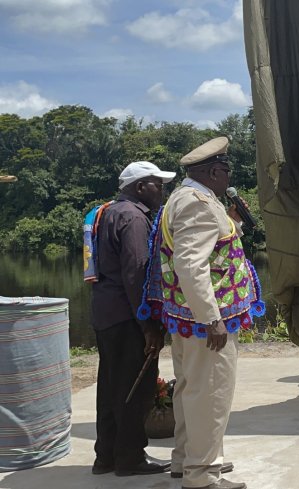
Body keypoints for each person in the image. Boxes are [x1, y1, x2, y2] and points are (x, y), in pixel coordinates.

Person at [138, 137, 264, 489]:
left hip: (187, 317)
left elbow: (210, 248)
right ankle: (203, 475)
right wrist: (213, 318)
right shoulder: (199, 204)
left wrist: (234, 223)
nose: (228, 178)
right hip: (204, 321)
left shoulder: (185, 197)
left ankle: (186, 460)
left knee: (190, 390)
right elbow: (191, 264)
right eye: (226, 171)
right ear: (213, 172)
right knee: (211, 394)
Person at [90, 161, 175, 477]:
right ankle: (130, 458)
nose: (162, 189)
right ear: (141, 187)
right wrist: (149, 325)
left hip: (106, 313)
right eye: (158, 183)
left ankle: (106, 457)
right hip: (128, 318)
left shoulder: (110, 211)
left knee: (111, 387)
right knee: (135, 389)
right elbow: (136, 274)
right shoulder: (134, 218)